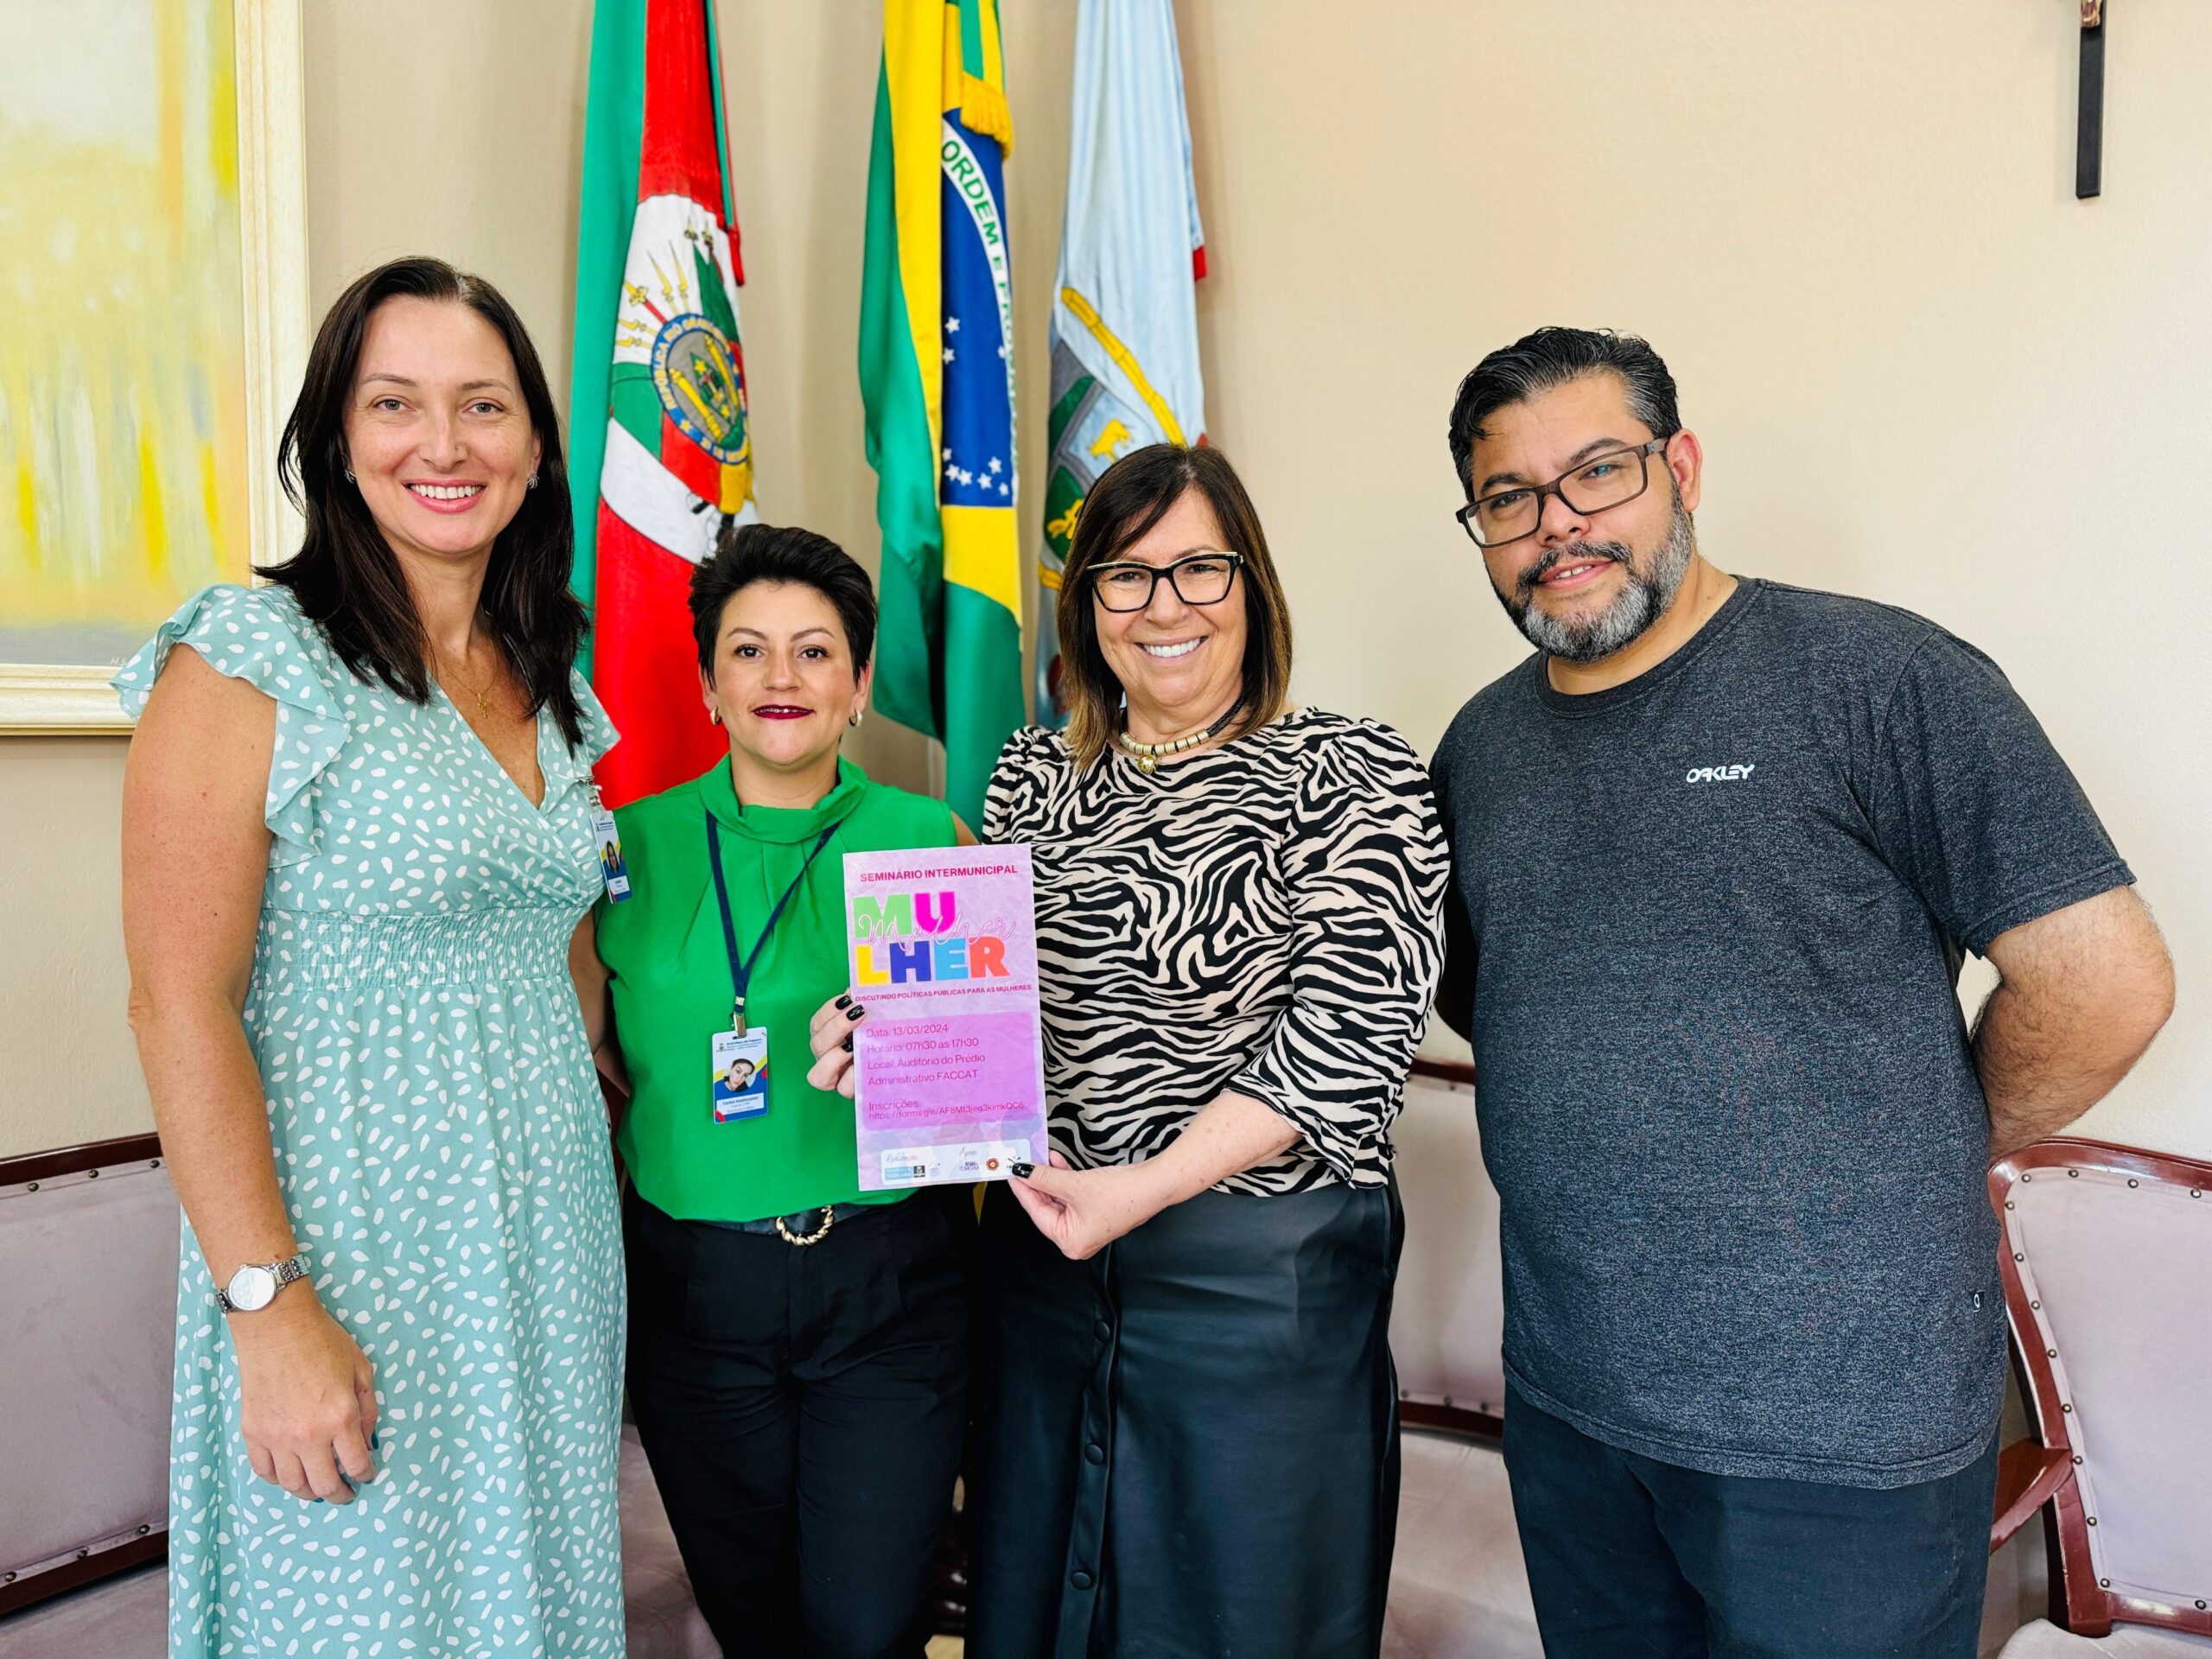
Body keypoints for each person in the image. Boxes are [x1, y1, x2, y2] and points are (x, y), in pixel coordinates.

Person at [1432, 326, 2177, 1657]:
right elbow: (1508, 1008)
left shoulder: (1880, 681)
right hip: (1575, 1409)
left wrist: (1918, 1141)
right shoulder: (1483, 747)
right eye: (1510, 497)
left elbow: (2105, 982)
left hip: (1842, 1441)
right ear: (1480, 527)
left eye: (1598, 472)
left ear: (1684, 467)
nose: (1560, 525)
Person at [812, 442, 1447, 1657]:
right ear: (1085, 602)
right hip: (1050, 1274)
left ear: (1253, 588)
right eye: (1125, 575)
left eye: (1200, 569)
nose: (1165, 608)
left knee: (1240, 1616)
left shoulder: (1352, 769)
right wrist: (878, 1035)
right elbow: (999, 1006)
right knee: (1043, 1607)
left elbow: (1348, 1046)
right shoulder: (1034, 775)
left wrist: (1144, 1192)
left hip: (1258, 1286)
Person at [117, 257, 626, 1657]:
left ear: (534, 447)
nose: (444, 445)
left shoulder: (560, 690)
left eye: (484, 406)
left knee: (534, 1601)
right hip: (347, 1260)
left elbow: (563, 979)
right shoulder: (252, 658)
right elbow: (179, 1001)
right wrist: (267, 1312)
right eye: (394, 403)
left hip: (546, 1257)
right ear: (337, 438)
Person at [582, 523, 972, 1659]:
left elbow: (979, 1079)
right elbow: (596, 1059)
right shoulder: (622, 851)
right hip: (698, 1299)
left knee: (866, 1626)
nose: (782, 678)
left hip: (890, 1292)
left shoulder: (928, 839)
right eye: (748, 651)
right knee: (753, 1623)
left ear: (858, 685)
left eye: (815, 651)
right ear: (708, 684)